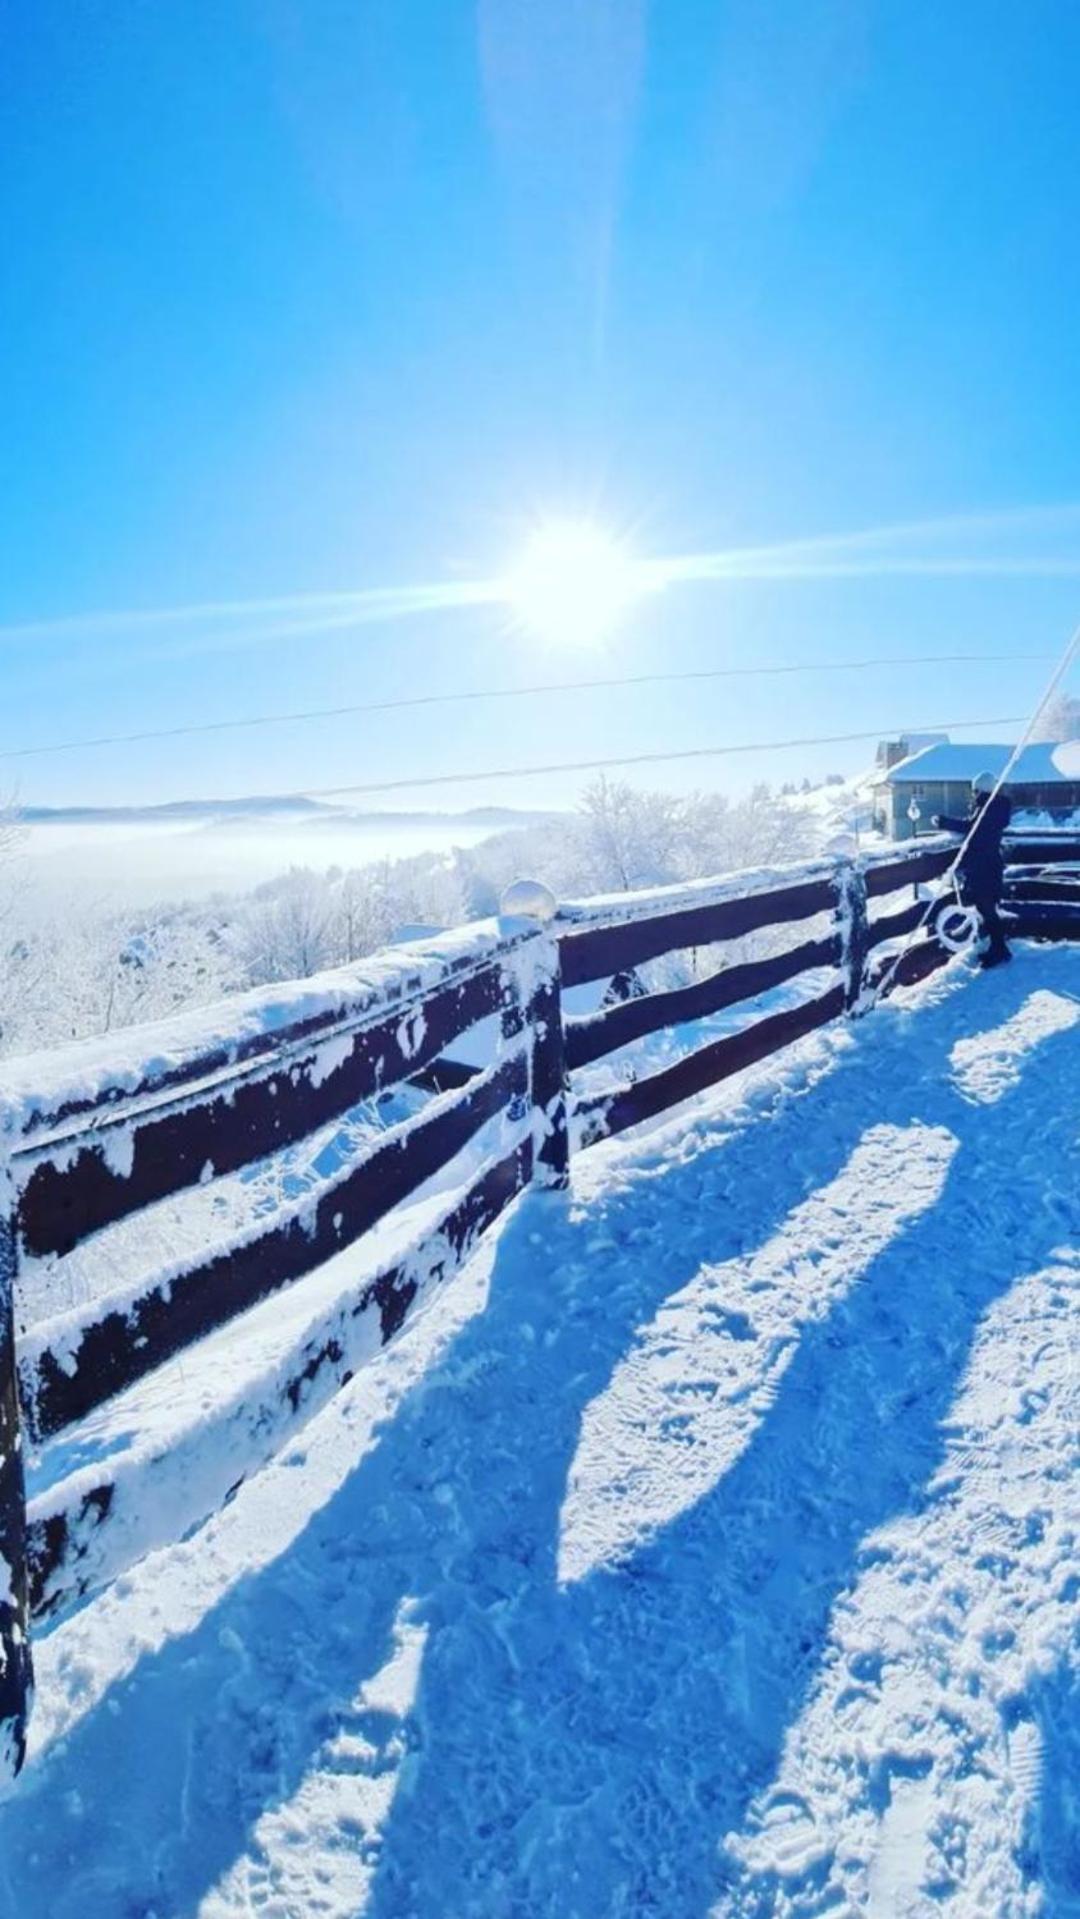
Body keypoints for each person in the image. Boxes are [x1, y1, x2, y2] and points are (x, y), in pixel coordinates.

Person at [932, 771, 1013, 967]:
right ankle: (998, 948)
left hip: (984, 867)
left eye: (975, 790)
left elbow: (973, 828)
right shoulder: (995, 807)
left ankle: (1000, 950)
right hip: (988, 865)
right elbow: (977, 828)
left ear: (981, 790)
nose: (973, 794)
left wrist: (943, 822)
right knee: (986, 909)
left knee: (987, 909)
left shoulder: (988, 807)